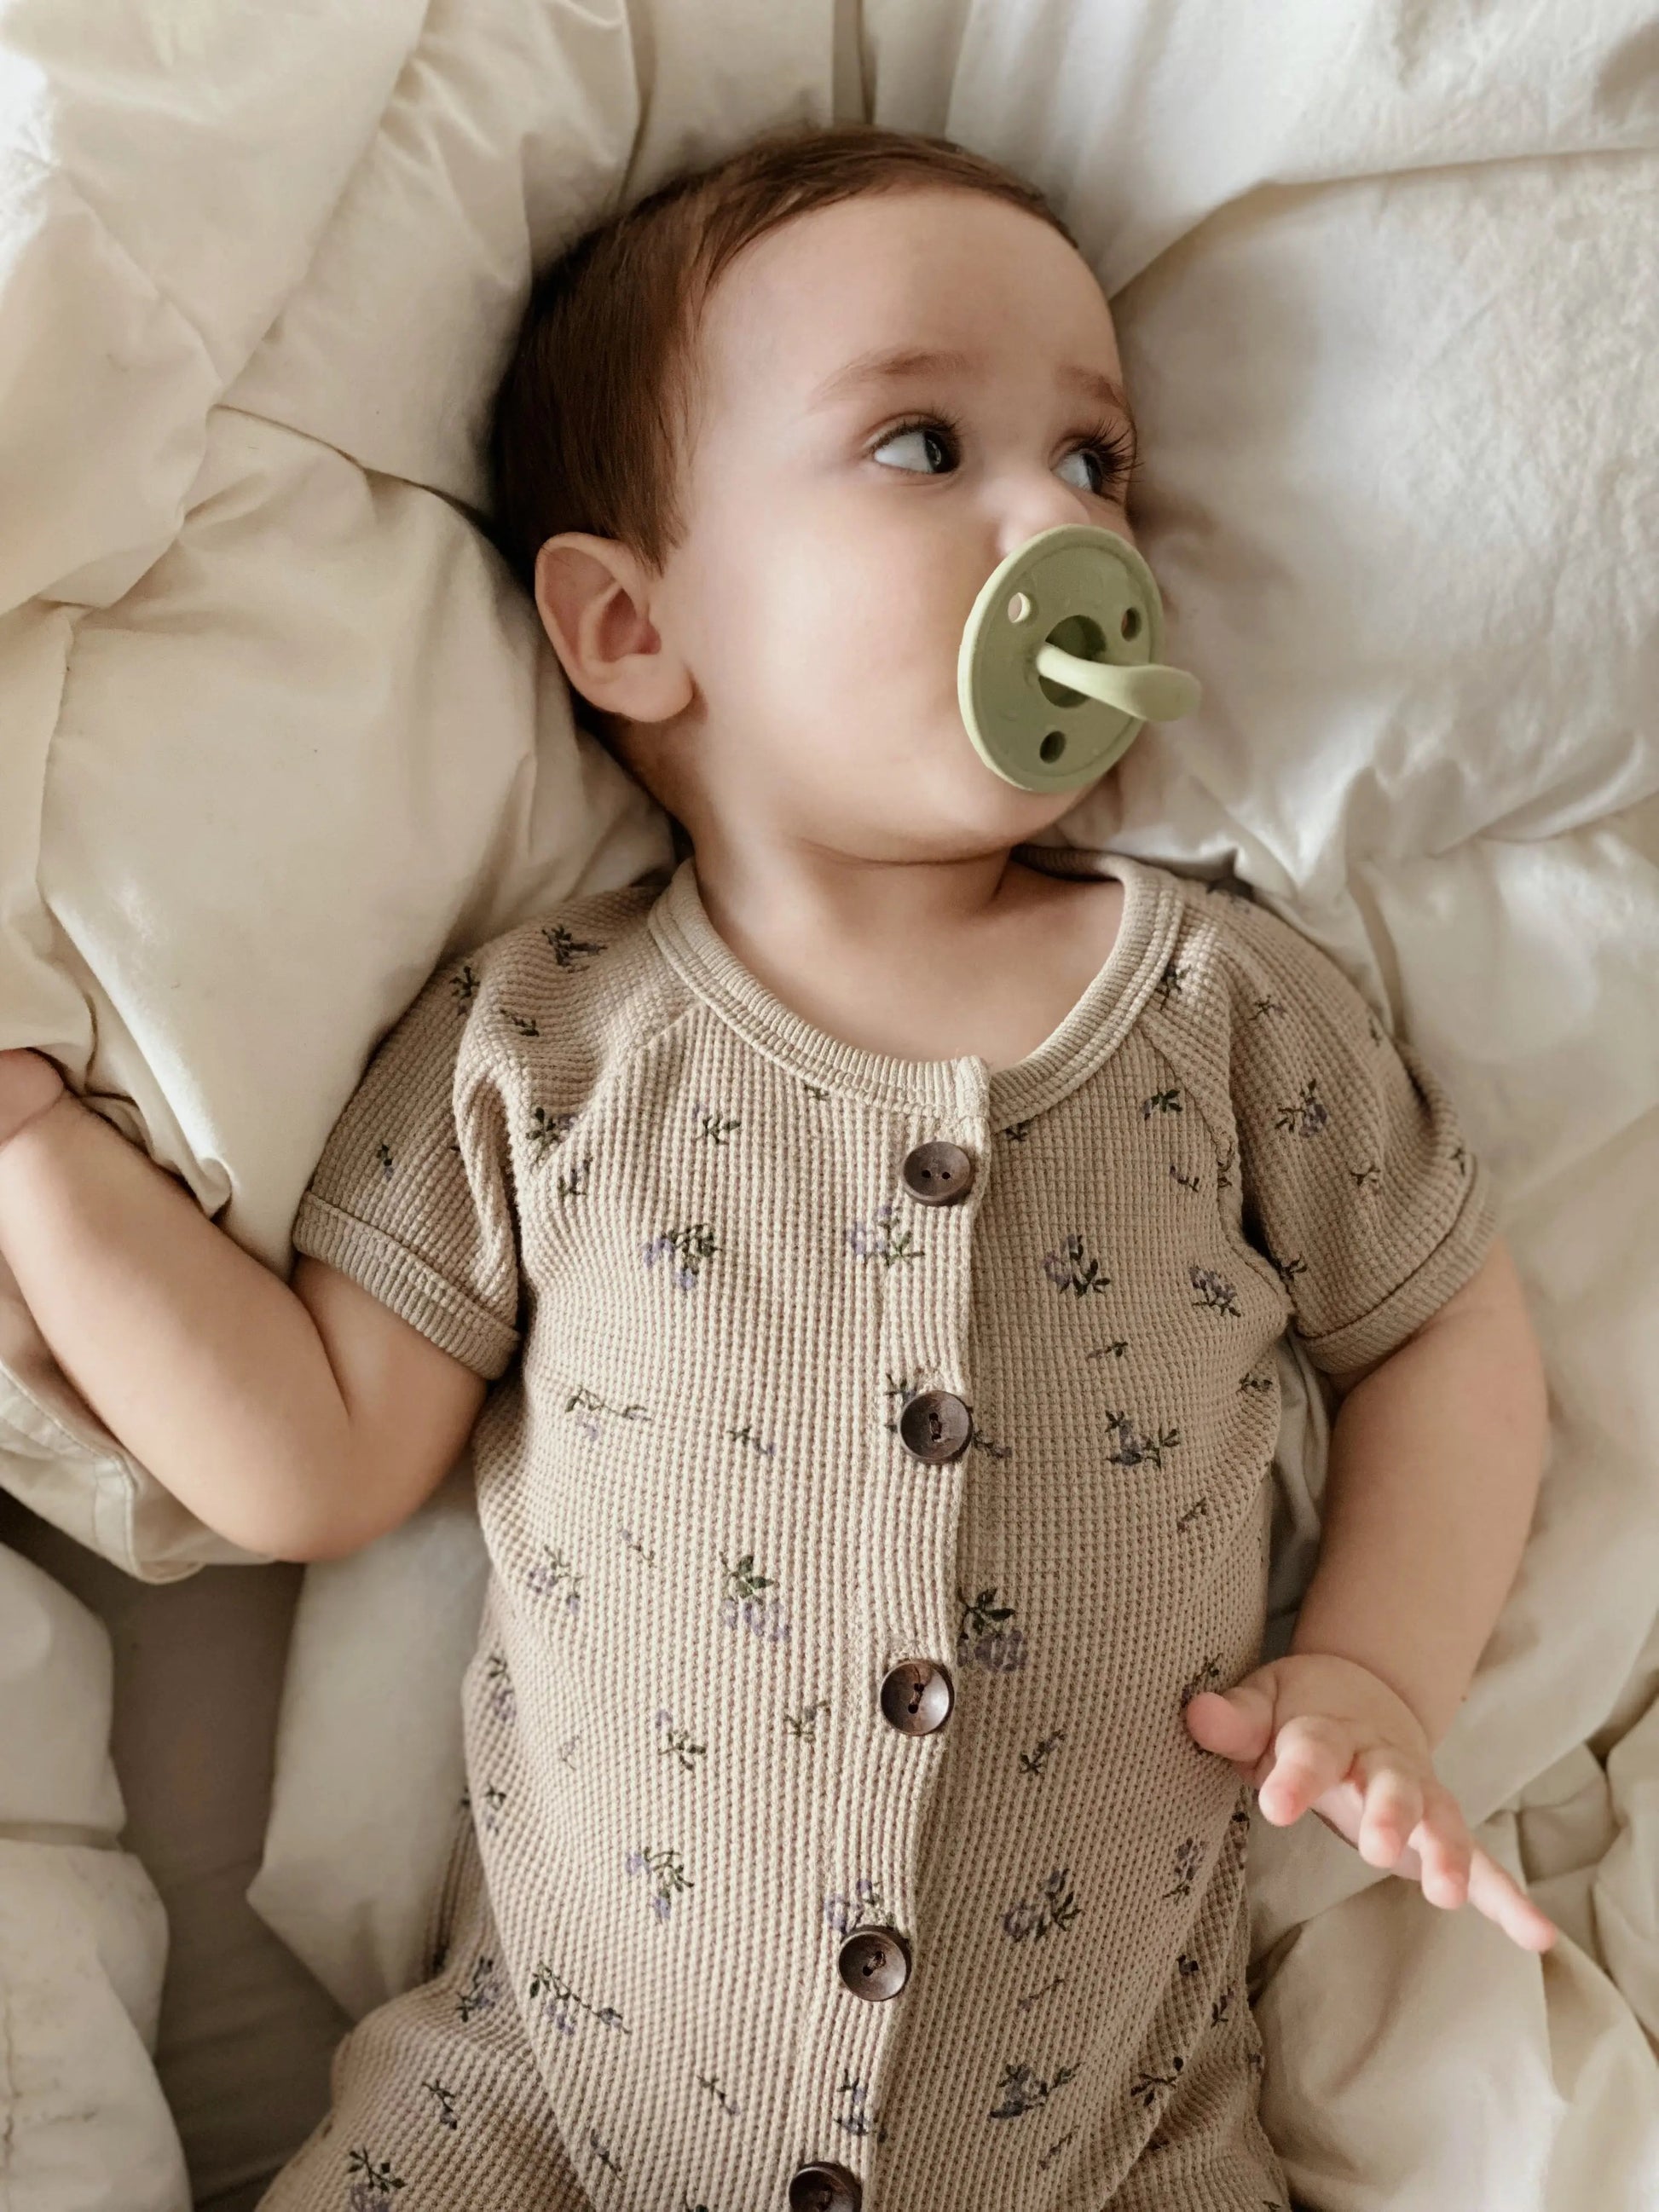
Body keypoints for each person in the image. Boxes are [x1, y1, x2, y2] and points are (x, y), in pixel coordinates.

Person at [0, 121, 1554, 2212]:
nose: (1058, 522)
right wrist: (37, 1143)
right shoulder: (545, 1044)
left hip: (1109, 2144)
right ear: (632, 625)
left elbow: (1440, 1319)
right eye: (921, 446)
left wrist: (1372, 1666)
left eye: (1094, 461)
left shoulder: (1219, 1001)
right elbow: (313, 1452)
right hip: (553, 2119)